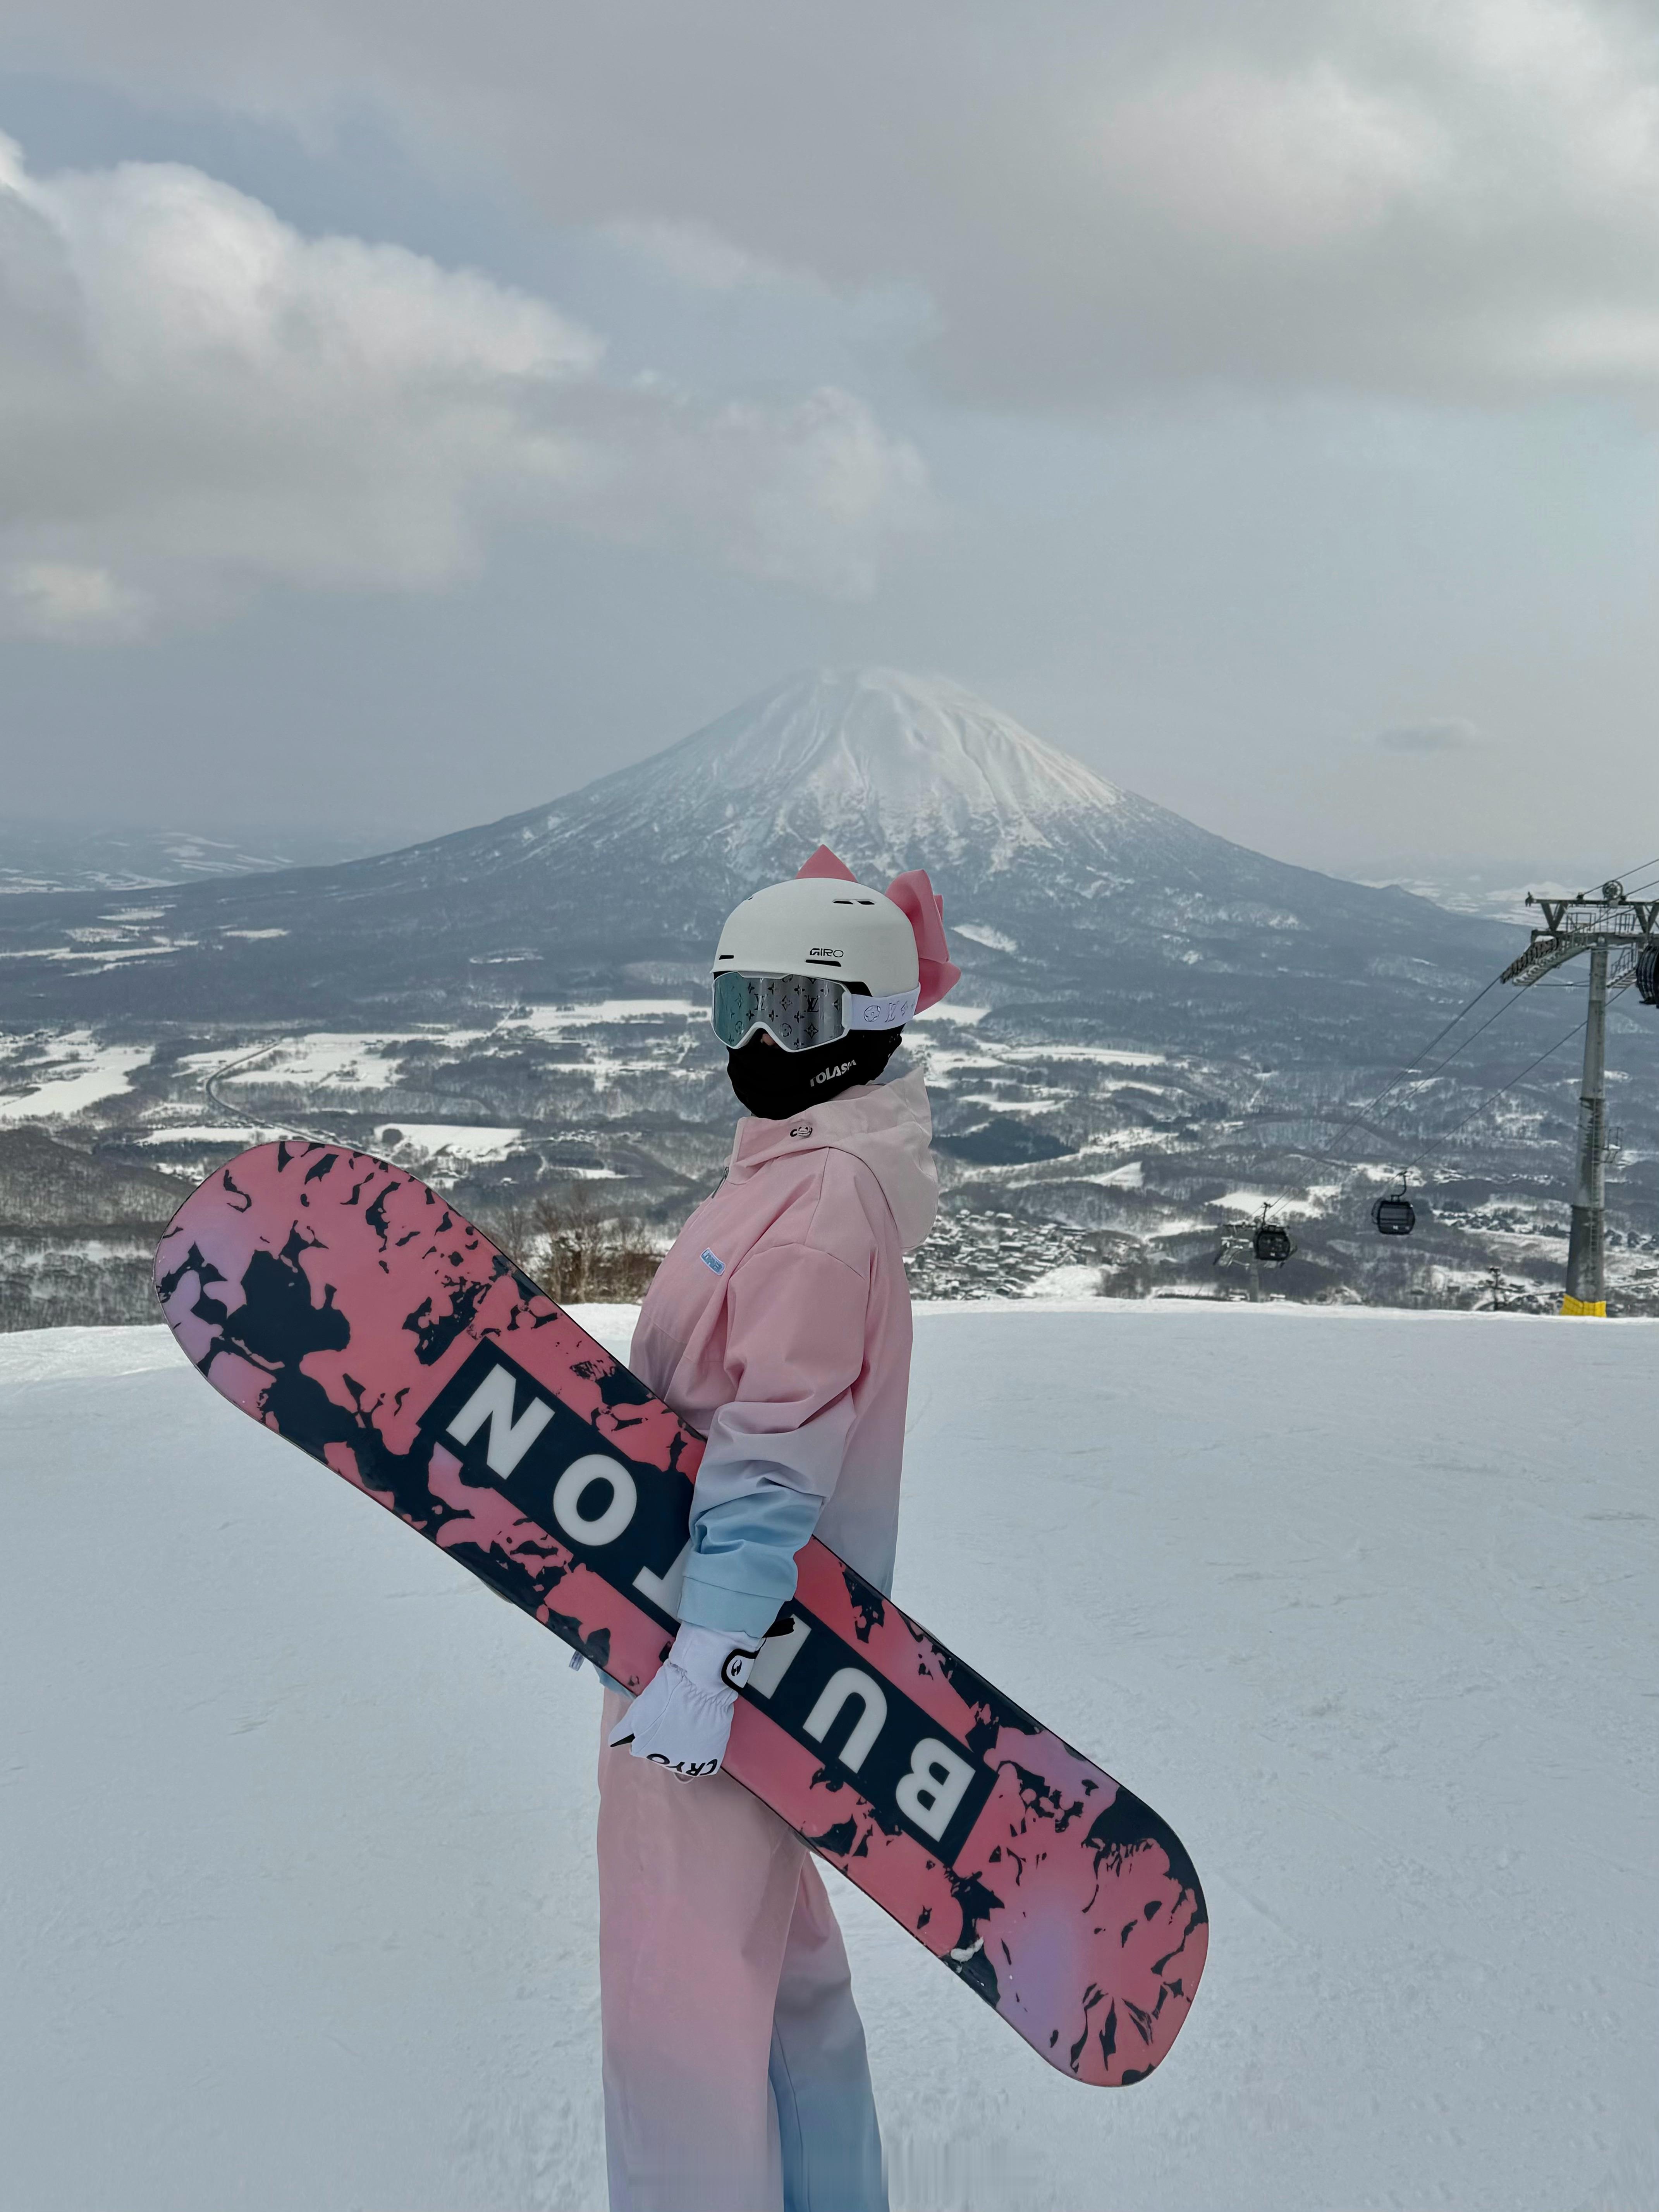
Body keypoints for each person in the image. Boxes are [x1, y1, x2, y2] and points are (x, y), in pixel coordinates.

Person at [596, 842, 960, 2212]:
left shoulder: (815, 1209)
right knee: (776, 1974)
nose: (756, 1041)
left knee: (678, 2009)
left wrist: (704, 1657)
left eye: (793, 1015)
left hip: (720, 1665)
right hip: (767, 1662)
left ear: (867, 1022)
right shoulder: (804, 1172)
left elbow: (769, 1454)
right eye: (735, 1005)